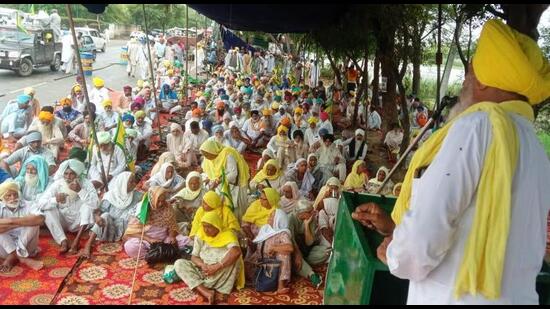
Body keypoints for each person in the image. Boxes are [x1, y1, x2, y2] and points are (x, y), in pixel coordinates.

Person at [352, 19, 550, 305]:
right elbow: (477, 234)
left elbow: (421, 243)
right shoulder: (536, 149)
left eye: (469, 72)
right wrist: (395, 229)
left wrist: (396, 251)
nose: (465, 82)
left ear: (481, 78)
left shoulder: (478, 127)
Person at [174, 211, 244, 304]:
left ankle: (201, 284)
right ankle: (205, 291)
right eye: (204, 226)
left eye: (209, 227)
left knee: (235, 259)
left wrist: (216, 267)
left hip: (221, 272)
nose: (206, 230)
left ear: (217, 225)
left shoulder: (228, 234)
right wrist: (202, 265)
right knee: (179, 263)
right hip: (204, 271)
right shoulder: (201, 234)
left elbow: (236, 251)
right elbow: (194, 257)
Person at [38, 159, 98, 254]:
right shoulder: (58, 184)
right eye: (65, 174)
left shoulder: (86, 184)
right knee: (48, 210)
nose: (68, 177)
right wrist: (55, 200)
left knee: (87, 206)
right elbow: (40, 203)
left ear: (77, 174)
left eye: (71, 174)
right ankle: (63, 240)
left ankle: (76, 241)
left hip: (80, 222)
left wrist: (80, 191)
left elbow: (95, 204)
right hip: (63, 222)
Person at [79, 172, 142, 259]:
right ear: (122, 183)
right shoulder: (110, 196)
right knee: (105, 215)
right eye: (131, 182)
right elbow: (98, 212)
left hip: (127, 229)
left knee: (134, 218)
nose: (134, 184)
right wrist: (97, 217)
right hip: (110, 227)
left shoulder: (137, 196)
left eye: (134, 181)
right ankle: (88, 244)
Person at [123, 187, 190, 259]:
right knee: (130, 246)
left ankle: (157, 254)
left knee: (186, 241)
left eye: (163, 200)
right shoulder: (141, 209)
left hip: (165, 240)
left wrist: (171, 236)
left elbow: (172, 226)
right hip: (146, 241)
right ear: (152, 199)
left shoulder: (168, 207)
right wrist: (150, 240)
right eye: (158, 201)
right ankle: (151, 255)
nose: (161, 204)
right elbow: (132, 232)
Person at [199, 140, 250, 222]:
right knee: (223, 207)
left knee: (238, 210)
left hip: (237, 185)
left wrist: (219, 181)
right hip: (221, 186)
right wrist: (209, 178)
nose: (206, 157)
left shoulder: (227, 154)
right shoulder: (207, 159)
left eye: (207, 154)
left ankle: (239, 226)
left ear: (212, 150)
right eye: (204, 155)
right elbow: (209, 172)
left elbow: (233, 173)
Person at [0, 181, 45, 272]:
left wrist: (11, 222)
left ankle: (14, 255)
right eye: (8, 196)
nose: (13, 198)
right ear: (2, 198)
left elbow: (41, 219)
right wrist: (24, 221)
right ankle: (21, 258)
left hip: (28, 249)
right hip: (5, 250)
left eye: (15, 194)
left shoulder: (29, 204)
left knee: (34, 223)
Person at [247, 208, 294, 294]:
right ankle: (259, 281)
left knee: (284, 254)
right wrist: (250, 243)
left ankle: (280, 285)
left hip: (273, 264)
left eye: (272, 216)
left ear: (278, 219)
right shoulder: (265, 229)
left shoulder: (282, 233)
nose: (269, 217)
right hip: (259, 259)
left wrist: (274, 248)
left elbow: (290, 248)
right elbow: (258, 245)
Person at [288, 199, 325, 288]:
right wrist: (298, 255)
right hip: (293, 250)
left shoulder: (310, 219)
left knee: (325, 252)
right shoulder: (291, 218)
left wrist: (306, 226)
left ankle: (299, 266)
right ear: (302, 213)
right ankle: (312, 275)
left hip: (306, 250)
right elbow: (291, 240)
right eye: (310, 211)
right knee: (295, 258)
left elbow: (309, 243)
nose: (313, 212)